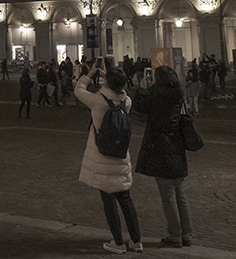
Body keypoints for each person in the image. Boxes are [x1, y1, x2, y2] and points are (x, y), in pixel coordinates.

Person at [75, 61, 141, 254]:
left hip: (102, 157)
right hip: (121, 157)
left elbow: (79, 90)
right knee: (126, 199)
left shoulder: (97, 101)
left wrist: (90, 74)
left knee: (109, 200)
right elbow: (119, 91)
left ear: (106, 82)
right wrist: (109, 78)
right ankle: (136, 241)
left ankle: (118, 242)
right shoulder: (126, 102)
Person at [135, 65, 193, 248]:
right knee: (180, 195)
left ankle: (175, 236)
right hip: (177, 149)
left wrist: (143, 88)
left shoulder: (156, 96)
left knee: (168, 197)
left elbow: (140, 107)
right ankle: (187, 235)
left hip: (161, 151)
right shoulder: (177, 95)